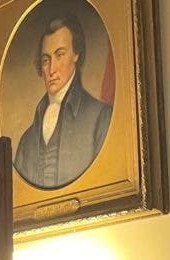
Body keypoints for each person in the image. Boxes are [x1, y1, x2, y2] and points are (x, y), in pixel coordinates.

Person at [13, 12, 112, 190]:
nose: (51, 69)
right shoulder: (26, 141)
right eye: (45, 60)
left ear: (76, 54)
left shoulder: (100, 118)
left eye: (59, 55)